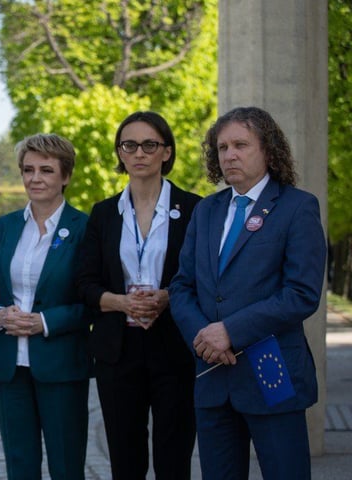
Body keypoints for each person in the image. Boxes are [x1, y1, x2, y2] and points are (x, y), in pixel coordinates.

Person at [170, 106, 326, 479]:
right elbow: (181, 286)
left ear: (268, 150)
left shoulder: (297, 207)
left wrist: (230, 332)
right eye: (222, 148)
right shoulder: (207, 211)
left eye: (241, 145)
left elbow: (301, 293)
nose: (229, 155)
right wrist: (204, 336)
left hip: (271, 370)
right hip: (211, 374)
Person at [75, 112, 200, 479]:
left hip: (175, 345)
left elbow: (204, 280)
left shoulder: (195, 209)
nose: (139, 153)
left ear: (167, 152)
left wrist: (167, 296)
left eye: (150, 144)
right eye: (129, 145)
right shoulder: (102, 214)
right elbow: (84, 284)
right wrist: (120, 301)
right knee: (125, 461)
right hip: (118, 349)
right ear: (120, 153)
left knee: (173, 458)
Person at [0, 133, 91, 479]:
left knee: (66, 466)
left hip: (62, 364)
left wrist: (46, 321)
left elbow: (92, 301)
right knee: (20, 465)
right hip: (9, 367)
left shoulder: (85, 227)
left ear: (65, 176)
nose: (35, 178)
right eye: (28, 170)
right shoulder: (6, 226)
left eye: (46, 170)